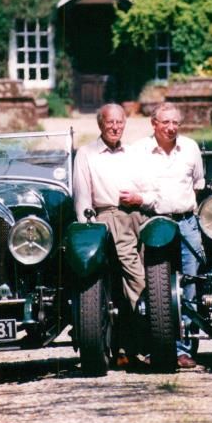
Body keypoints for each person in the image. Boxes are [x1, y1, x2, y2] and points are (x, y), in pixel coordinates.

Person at [130, 102, 205, 370]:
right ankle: (155, 347)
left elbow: (198, 184)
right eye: (166, 122)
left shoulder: (191, 148)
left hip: (186, 222)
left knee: (191, 283)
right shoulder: (139, 151)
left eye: (176, 123)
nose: (171, 128)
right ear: (154, 124)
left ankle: (184, 349)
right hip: (155, 222)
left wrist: (183, 209)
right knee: (153, 286)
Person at [72, 102, 147, 368]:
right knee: (130, 279)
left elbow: (148, 185)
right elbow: (82, 198)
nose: (115, 127)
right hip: (105, 218)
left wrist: (142, 200)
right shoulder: (87, 153)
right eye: (109, 122)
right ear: (100, 124)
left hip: (136, 215)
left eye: (119, 122)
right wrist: (90, 232)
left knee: (143, 275)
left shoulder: (135, 152)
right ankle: (142, 336)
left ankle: (134, 345)